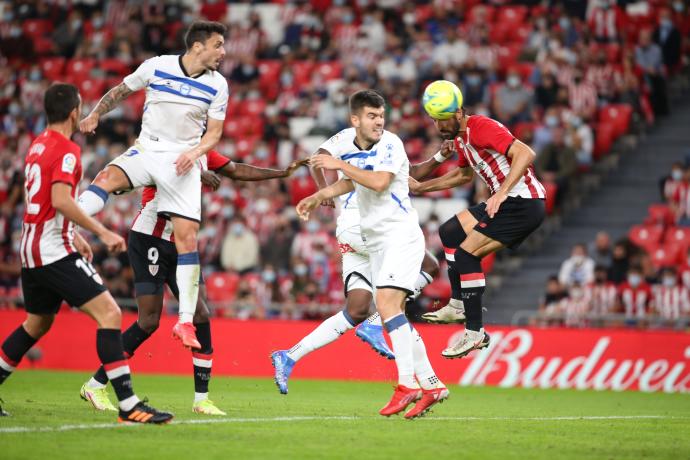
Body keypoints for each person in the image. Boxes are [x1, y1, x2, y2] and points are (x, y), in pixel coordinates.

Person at [79, 150, 307, 415]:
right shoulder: (163, 145)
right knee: (148, 320)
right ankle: (95, 384)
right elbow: (163, 171)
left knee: (200, 314)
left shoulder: (202, 150)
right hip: (149, 238)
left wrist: (282, 172)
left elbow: (237, 170)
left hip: (181, 243)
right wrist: (199, 173)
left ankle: (201, 400)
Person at [0, 83, 172, 423]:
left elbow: (44, 203)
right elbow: (62, 200)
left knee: (37, 322)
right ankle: (129, 405)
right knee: (110, 314)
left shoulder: (36, 145)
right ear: (75, 112)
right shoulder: (66, 150)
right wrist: (101, 231)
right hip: (52, 251)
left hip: (30, 247)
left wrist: (72, 232)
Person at [271, 91, 448, 396]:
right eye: (372, 116)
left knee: (356, 310)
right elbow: (395, 178)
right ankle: (408, 363)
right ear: (357, 119)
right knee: (416, 280)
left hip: (349, 232)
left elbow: (318, 160)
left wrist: (321, 193)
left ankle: (289, 355)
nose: (379, 122)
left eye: (381, 116)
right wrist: (322, 192)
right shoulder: (381, 145)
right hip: (364, 226)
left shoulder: (345, 139)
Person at [75, 21, 229, 350]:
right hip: (147, 148)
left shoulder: (219, 85)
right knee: (105, 178)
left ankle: (186, 322)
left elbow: (214, 134)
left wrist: (196, 152)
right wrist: (94, 114)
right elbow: (121, 90)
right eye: (218, 45)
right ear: (198, 46)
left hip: (181, 160)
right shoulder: (157, 66)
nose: (223, 52)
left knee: (187, 238)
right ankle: (70, 224)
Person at [411, 80, 546, 359]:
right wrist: (422, 187)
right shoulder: (461, 138)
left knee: (465, 255)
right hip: (507, 201)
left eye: (443, 119)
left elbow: (525, 153)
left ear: (458, 112)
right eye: (435, 120)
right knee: (449, 232)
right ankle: (458, 303)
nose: (438, 126)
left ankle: (474, 333)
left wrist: (502, 193)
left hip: (522, 202)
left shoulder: (482, 126)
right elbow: (463, 175)